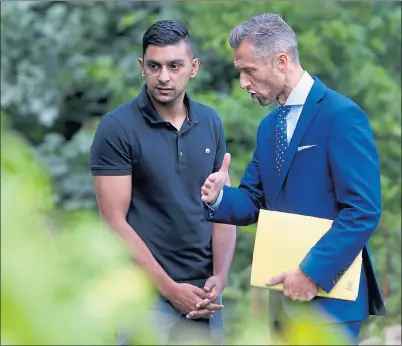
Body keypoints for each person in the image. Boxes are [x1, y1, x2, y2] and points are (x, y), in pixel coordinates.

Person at [200, 13, 386, 345]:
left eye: (249, 71)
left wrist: (311, 273)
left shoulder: (342, 116)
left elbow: (363, 210)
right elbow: (254, 201)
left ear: (281, 61)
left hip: (332, 303)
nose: (243, 82)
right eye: (240, 72)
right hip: (282, 299)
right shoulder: (269, 128)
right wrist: (218, 198)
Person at [89, 20, 236, 345]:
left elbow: (222, 206)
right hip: (145, 298)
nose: (164, 76)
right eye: (154, 66)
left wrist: (220, 277)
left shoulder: (210, 121)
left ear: (193, 67)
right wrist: (170, 289)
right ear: (142, 67)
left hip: (204, 297)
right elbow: (114, 222)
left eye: (174, 65)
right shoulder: (116, 128)